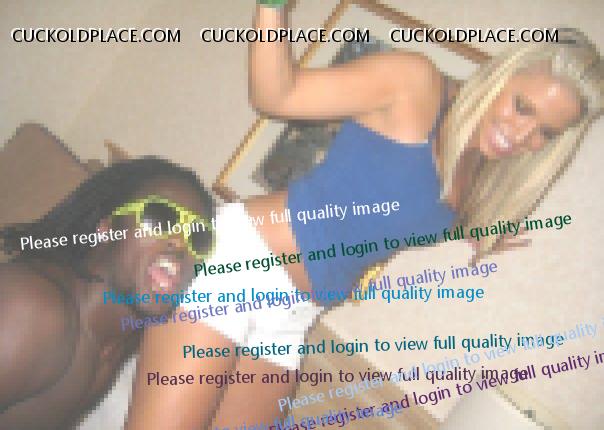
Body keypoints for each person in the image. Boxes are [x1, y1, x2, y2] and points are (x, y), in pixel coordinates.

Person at [125, 3, 603, 430]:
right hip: (241, 263)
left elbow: (416, 212)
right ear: (503, 74)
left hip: (294, 314)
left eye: (544, 132)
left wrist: (487, 231)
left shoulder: (477, 173)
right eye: (522, 107)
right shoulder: (415, 85)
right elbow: (277, 95)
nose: (521, 134)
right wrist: (272, 6)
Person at [0, 157, 214, 430]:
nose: (180, 242)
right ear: (106, 229)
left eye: (199, 237)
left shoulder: (128, 338)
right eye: (160, 218)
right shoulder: (31, 312)